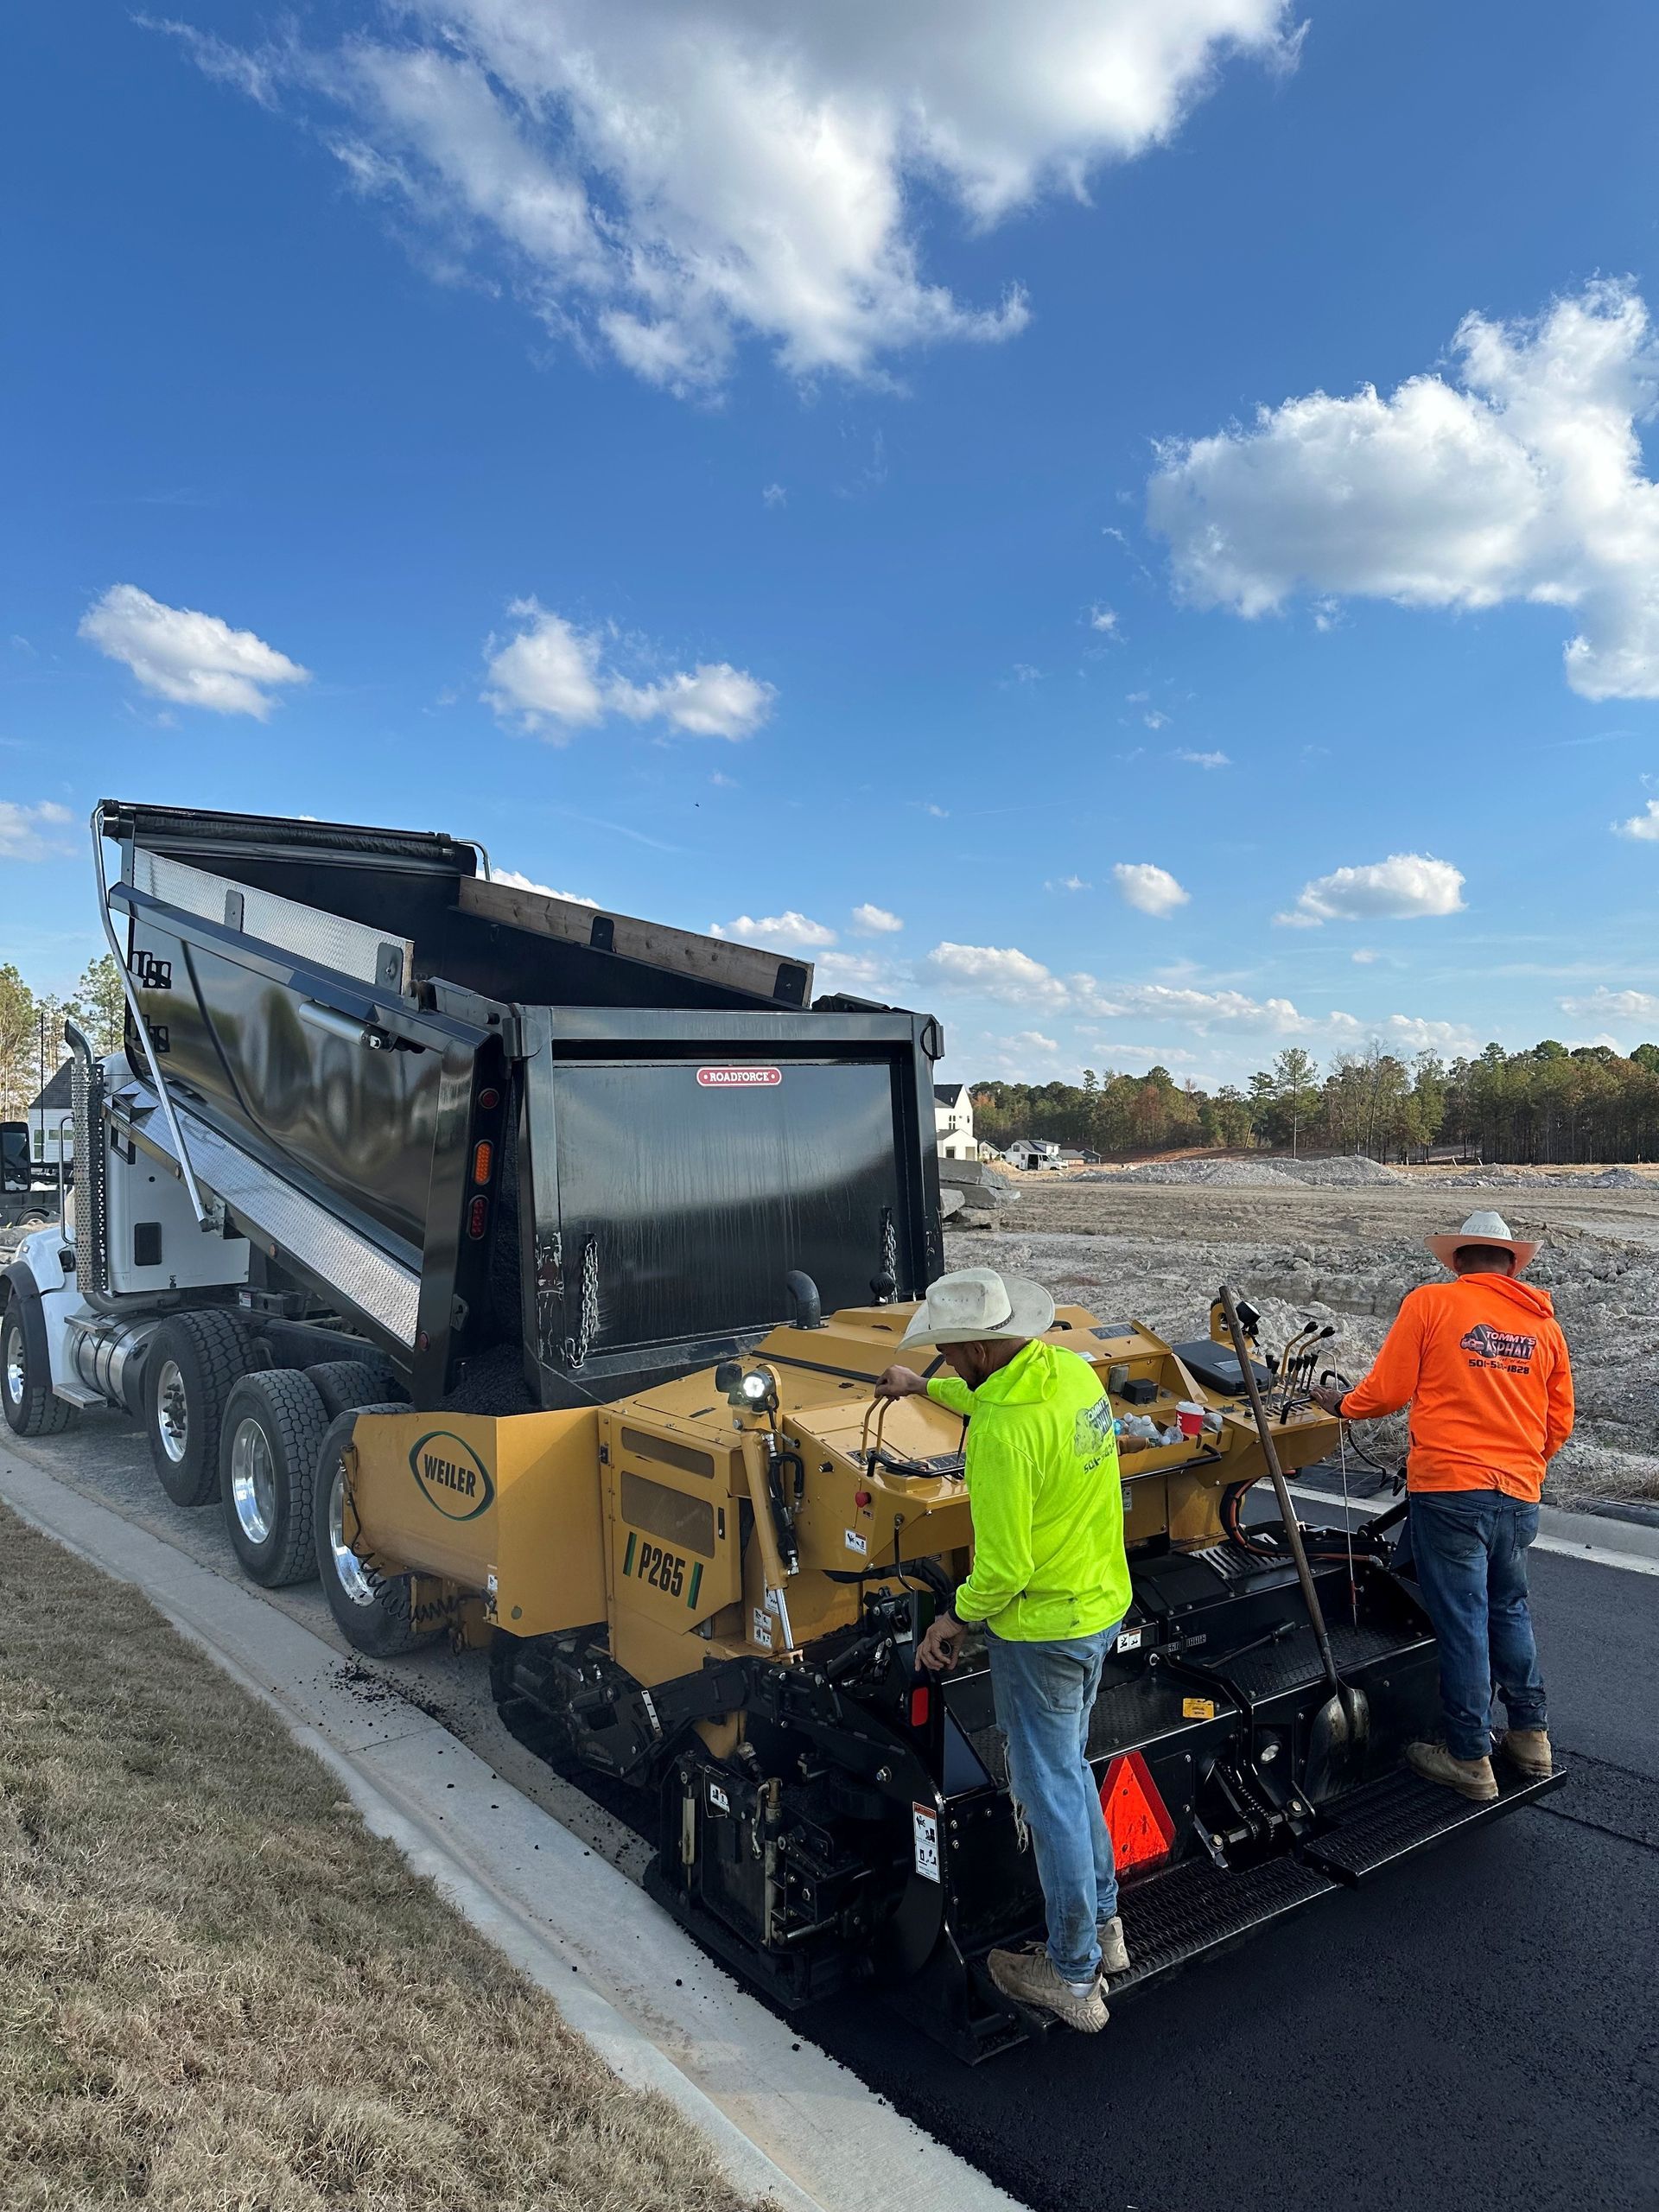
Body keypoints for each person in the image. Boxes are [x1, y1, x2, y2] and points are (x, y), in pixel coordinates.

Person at [874, 1266, 1132, 2033]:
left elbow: (1004, 1569)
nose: (946, 1365)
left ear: (982, 1348)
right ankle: (1107, 1928)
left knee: (1048, 1790)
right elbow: (987, 1395)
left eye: (949, 1356)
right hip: (1098, 1606)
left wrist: (951, 1622)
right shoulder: (1066, 1374)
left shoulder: (1001, 1435)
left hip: (1044, 1630)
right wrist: (919, 1389)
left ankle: (1073, 1974)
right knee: (1071, 1769)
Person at [1313, 1210, 1573, 1804]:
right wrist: (1522, 1463)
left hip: (1452, 1489)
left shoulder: (1433, 1304)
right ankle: (1531, 1738)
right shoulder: (1543, 1327)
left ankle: (1468, 1756)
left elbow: (1387, 1393)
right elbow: (1558, 1420)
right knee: (1508, 1608)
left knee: (1461, 1619)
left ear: (1458, 1261)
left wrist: (1341, 1405)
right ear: (1511, 1264)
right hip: (1518, 1492)